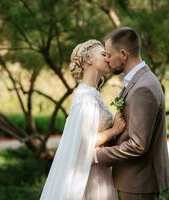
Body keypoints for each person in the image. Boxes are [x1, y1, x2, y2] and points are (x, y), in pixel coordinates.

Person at [40, 39, 126, 200]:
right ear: (88, 60)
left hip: (99, 171)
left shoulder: (92, 94)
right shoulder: (85, 98)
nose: (108, 58)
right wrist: (114, 130)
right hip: (89, 178)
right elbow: (83, 142)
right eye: (103, 54)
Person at [94, 27, 169, 200]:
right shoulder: (140, 80)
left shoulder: (142, 87)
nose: (106, 58)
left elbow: (138, 145)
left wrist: (98, 155)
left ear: (123, 53)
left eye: (108, 54)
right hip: (136, 179)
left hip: (139, 182)